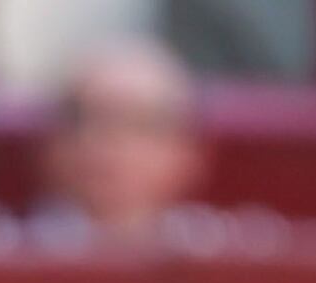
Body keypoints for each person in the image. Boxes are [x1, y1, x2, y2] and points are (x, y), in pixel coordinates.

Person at [39, 34, 208, 238]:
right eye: (86, 119)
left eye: (139, 124)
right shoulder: (10, 248)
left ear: (184, 151)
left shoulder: (213, 250)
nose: (108, 141)